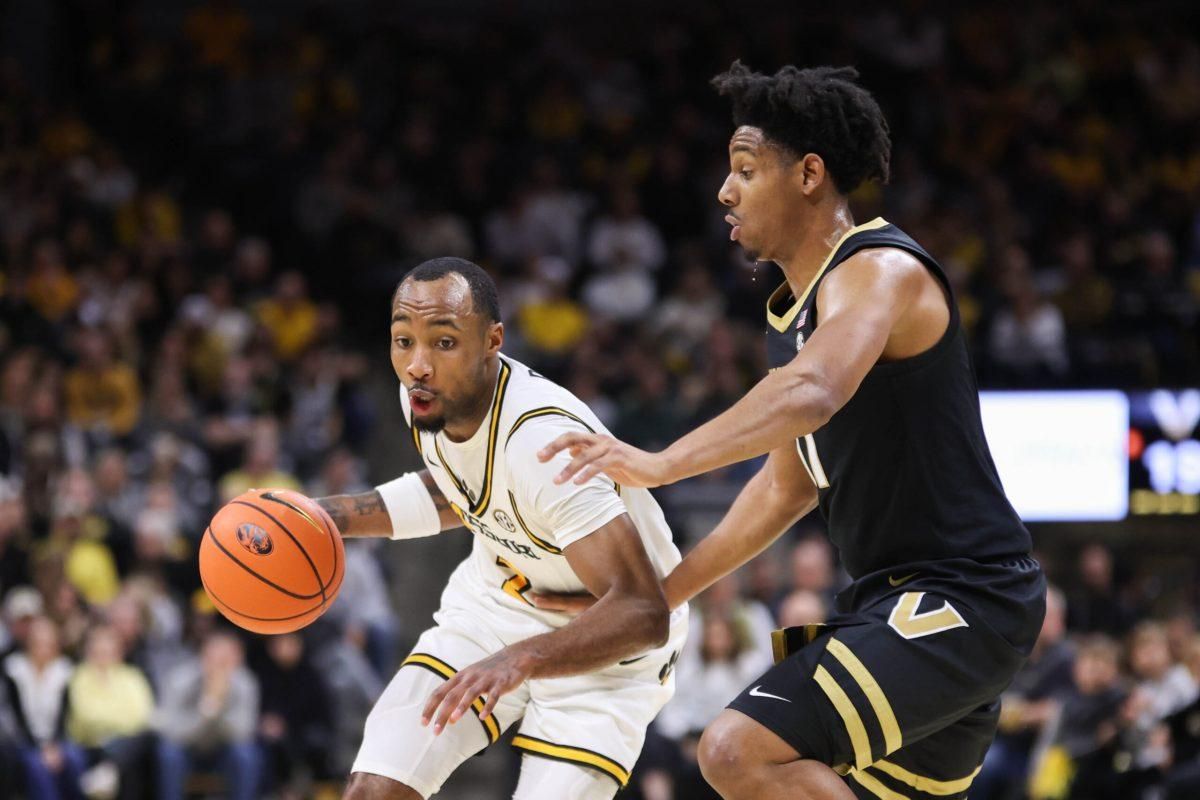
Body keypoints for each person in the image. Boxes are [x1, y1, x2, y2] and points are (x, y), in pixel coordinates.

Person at [537, 63, 1046, 799]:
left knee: (737, 751)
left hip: (961, 599)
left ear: (809, 174)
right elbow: (786, 486)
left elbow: (813, 390)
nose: (725, 191)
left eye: (745, 170)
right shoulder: (791, 314)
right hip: (894, 606)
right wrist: (657, 596)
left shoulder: (880, 268)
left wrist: (659, 463)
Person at [315, 258, 687, 800]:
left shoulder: (543, 447)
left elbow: (643, 611)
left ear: (493, 340)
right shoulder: (425, 394)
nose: (417, 364)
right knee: (374, 789)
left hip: (610, 650)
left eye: (443, 343)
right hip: (493, 611)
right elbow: (462, 488)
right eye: (402, 340)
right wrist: (323, 516)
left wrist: (522, 659)